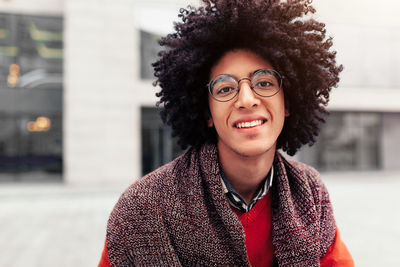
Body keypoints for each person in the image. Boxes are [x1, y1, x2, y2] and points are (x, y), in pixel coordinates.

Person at [99, 0, 354, 266]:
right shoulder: (141, 209)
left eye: (264, 82)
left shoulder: (310, 194)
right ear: (207, 113)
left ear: (287, 102)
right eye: (224, 89)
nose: (246, 99)